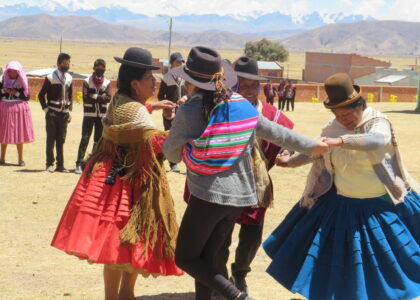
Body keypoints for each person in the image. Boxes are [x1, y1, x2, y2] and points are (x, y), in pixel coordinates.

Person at [163, 46, 328, 300]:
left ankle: (237, 296)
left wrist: (190, 147)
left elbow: (171, 154)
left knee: (186, 257)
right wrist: (313, 146)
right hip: (240, 197)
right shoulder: (239, 105)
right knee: (206, 258)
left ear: (189, 81)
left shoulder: (189, 110)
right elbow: (276, 132)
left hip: (208, 196)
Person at [263, 73, 420, 300]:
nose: (344, 119)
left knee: (386, 268)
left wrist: (341, 141)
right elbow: (316, 150)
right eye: (338, 114)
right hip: (341, 207)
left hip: (380, 207)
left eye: (347, 113)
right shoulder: (333, 128)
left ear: (360, 105)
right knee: (344, 268)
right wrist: (289, 162)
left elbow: (376, 141)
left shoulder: (378, 122)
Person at [51, 47, 181, 300]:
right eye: (149, 78)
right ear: (135, 83)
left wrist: (153, 105)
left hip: (108, 177)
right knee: (129, 240)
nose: (155, 82)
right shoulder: (137, 111)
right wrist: (180, 126)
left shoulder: (118, 100)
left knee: (114, 244)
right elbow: (154, 144)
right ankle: (125, 295)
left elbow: (134, 114)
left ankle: (115, 296)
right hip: (127, 182)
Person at [214, 56, 294, 295]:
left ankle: (240, 275)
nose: (248, 91)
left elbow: (286, 140)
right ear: (233, 86)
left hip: (256, 186)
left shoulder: (272, 115)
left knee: (251, 235)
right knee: (221, 235)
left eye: (253, 86)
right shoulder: (222, 111)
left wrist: (285, 152)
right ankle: (222, 280)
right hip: (225, 184)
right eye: (242, 85)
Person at [75, 59, 112, 174]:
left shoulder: (107, 82)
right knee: (85, 138)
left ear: (105, 69)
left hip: (101, 116)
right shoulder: (87, 81)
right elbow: (86, 97)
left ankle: (92, 162)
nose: (100, 70)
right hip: (89, 115)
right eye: (98, 68)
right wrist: (101, 96)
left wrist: (95, 96)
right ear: (94, 68)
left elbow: (109, 98)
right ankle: (79, 163)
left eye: (102, 68)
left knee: (98, 140)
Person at [39, 53, 73, 173]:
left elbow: (70, 96)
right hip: (52, 112)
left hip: (64, 114)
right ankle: (49, 164)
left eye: (68, 63)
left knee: (61, 139)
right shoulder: (50, 77)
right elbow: (41, 95)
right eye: (64, 63)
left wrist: (69, 112)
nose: (67, 65)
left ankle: (60, 165)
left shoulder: (69, 78)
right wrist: (46, 110)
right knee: (51, 139)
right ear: (58, 64)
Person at [0, 61, 34, 166]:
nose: (12, 73)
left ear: (18, 72)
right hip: (5, 108)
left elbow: (26, 97)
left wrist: (16, 93)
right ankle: (2, 159)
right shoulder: (3, 80)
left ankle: (20, 159)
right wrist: (3, 91)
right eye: (10, 71)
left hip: (19, 109)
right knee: (4, 133)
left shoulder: (22, 81)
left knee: (19, 134)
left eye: (14, 71)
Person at [157, 52, 187, 173]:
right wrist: (167, 106)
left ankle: (183, 159)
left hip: (184, 111)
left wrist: (185, 98)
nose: (180, 64)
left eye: (181, 62)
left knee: (183, 136)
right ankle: (172, 163)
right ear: (172, 63)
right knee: (170, 136)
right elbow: (160, 96)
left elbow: (190, 92)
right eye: (178, 62)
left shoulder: (185, 77)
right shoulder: (167, 77)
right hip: (170, 113)